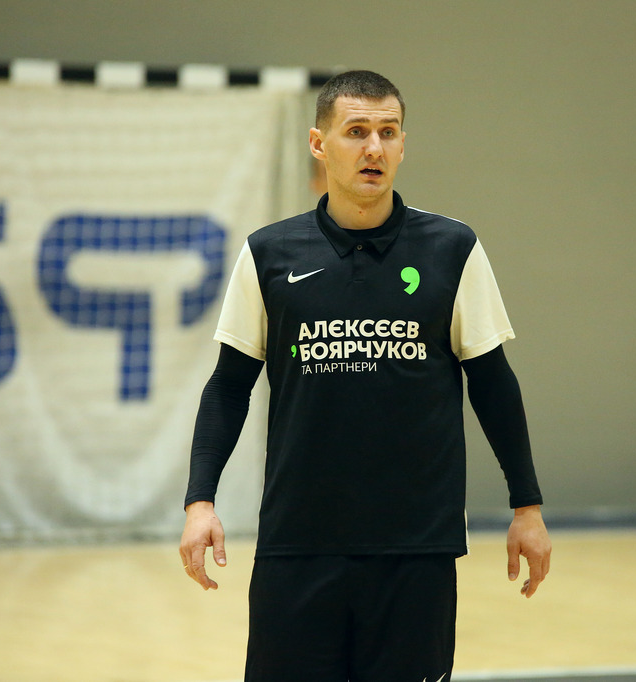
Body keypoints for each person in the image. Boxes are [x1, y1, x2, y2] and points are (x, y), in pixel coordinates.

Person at [180, 70, 551, 682]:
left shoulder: (452, 249)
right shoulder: (269, 254)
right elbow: (227, 387)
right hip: (297, 544)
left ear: (403, 144)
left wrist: (526, 506)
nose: (374, 147)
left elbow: (492, 383)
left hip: (417, 548)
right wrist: (200, 501)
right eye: (356, 132)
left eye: (388, 132)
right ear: (319, 143)